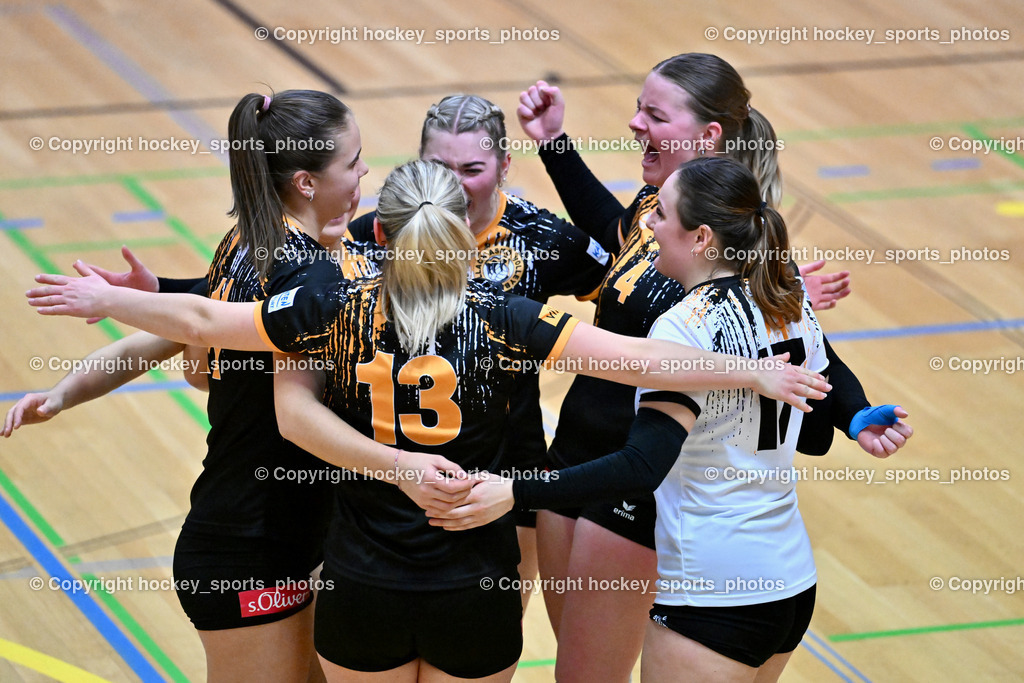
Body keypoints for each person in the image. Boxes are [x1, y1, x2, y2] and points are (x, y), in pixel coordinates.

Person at [27, 159, 830, 682]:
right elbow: (643, 362)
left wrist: (107, 299)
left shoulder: (333, 304)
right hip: (472, 579)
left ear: (379, 233)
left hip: (362, 575)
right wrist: (753, 367)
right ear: (468, 236)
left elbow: (205, 319)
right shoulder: (504, 313)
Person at [10, 90, 470, 683]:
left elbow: (169, 338)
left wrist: (65, 393)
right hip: (249, 549)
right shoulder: (308, 277)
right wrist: (113, 300)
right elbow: (197, 324)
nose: (363, 176)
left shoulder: (249, 248)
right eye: (353, 163)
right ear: (305, 181)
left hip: (285, 534)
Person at [429, 157, 914, 682]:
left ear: (701, 236)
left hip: (712, 593)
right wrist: (858, 414)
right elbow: (816, 436)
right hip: (790, 584)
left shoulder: (683, 325)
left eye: (660, 214)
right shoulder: (790, 305)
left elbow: (642, 466)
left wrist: (515, 492)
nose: (648, 226)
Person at [516, 52, 867, 682]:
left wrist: (856, 413)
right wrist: (555, 148)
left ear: (707, 137)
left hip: (634, 485)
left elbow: (807, 371)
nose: (633, 124)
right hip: (575, 458)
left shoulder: (728, 255)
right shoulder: (664, 209)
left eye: (653, 114)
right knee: (578, 664)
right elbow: (616, 234)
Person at [345, 93, 613, 606]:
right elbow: (274, 294)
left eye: (472, 169)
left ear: (505, 166)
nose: (454, 185)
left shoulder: (541, 237)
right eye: (439, 167)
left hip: (509, 473)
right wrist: (164, 287)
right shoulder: (384, 231)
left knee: (489, 627)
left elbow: (637, 285)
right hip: (389, 473)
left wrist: (751, 288)